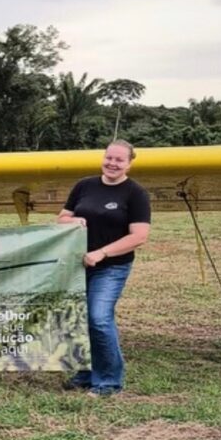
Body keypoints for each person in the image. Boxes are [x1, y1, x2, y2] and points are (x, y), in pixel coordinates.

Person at [57, 140, 151, 397]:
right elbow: (61, 218)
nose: (112, 163)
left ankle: (109, 381)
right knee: (80, 319)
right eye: (109, 157)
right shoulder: (84, 186)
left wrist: (102, 252)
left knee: (99, 318)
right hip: (77, 265)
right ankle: (87, 373)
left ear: (129, 164)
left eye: (119, 160)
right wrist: (73, 220)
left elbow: (139, 236)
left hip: (111, 267)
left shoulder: (135, 194)